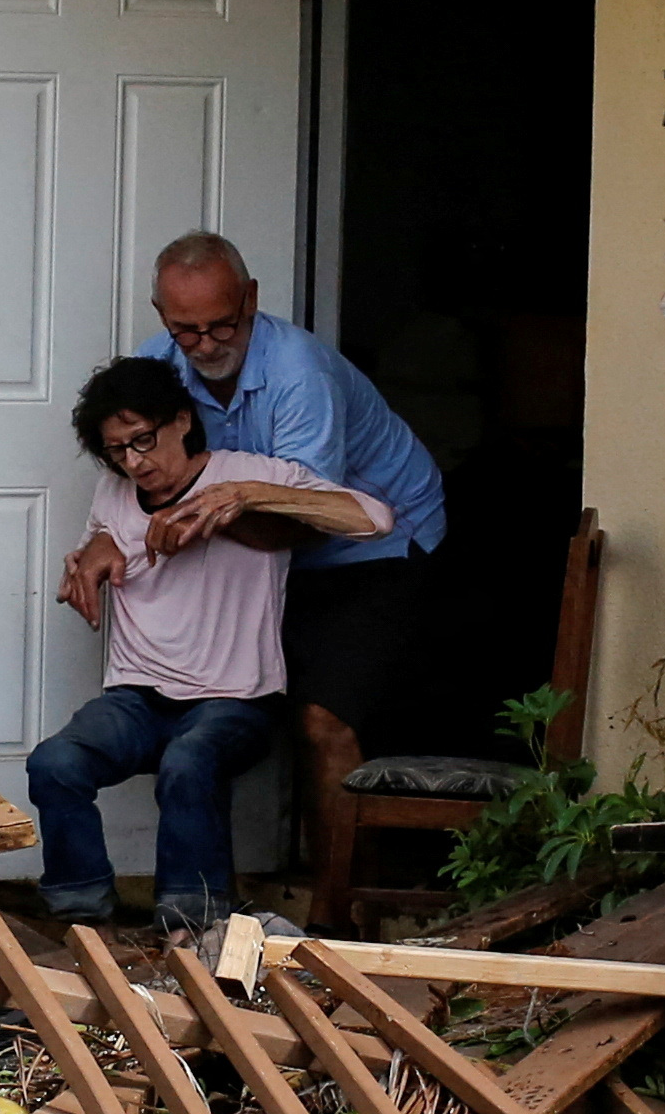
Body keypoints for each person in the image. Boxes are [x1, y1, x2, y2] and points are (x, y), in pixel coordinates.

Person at [55, 231, 451, 897]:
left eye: (222, 325)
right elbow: (128, 476)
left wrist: (214, 509)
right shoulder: (157, 369)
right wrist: (102, 540)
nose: (206, 345)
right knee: (214, 715)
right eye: (187, 331)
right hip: (265, 545)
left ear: (252, 300)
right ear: (161, 317)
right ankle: (207, 899)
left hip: (373, 542)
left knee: (325, 719)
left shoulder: (300, 377)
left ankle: (335, 912)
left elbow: (298, 525)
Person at [28, 356, 392, 938]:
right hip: (137, 697)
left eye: (144, 441)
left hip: (234, 700)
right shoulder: (113, 491)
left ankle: (194, 923)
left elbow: (373, 518)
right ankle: (81, 919)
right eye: (118, 450)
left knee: (190, 761)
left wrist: (244, 497)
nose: (136, 463)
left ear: (181, 422)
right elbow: (100, 542)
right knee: (55, 762)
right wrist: (94, 549)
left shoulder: (246, 471)